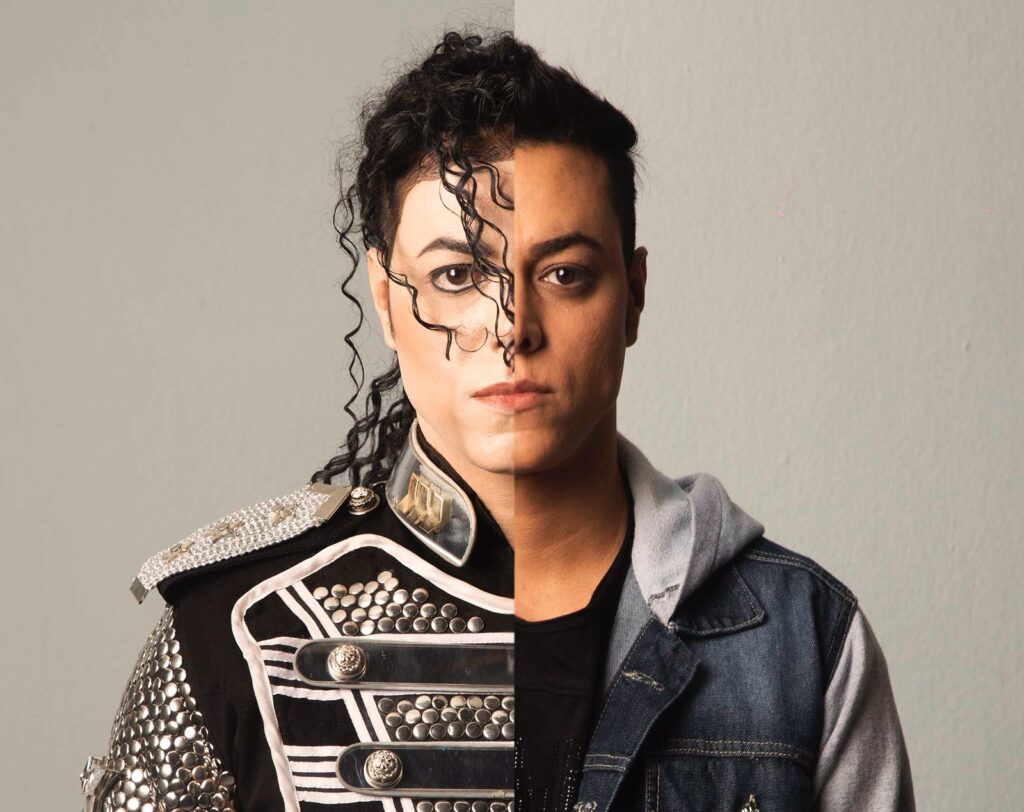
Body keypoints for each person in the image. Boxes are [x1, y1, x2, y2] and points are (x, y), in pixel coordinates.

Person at [81, 29, 915, 812]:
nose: (513, 326)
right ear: (385, 300)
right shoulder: (231, 627)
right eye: (456, 276)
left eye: (564, 273)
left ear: (634, 294)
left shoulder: (801, 637)